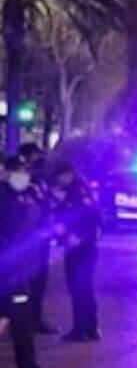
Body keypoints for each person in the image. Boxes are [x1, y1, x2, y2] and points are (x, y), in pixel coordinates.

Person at [0, 157, 63, 368]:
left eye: (24, 171)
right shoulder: (7, 200)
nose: (21, 176)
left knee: (23, 331)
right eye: (17, 171)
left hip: (17, 273)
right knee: (22, 331)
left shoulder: (27, 196)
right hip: (10, 275)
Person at [52, 163, 102, 342]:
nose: (59, 180)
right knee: (84, 289)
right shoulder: (78, 191)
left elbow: (92, 219)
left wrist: (79, 236)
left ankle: (81, 329)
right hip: (80, 245)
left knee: (79, 288)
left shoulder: (77, 193)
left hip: (80, 246)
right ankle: (90, 328)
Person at [17, 143, 57, 334]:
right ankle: (23, 320)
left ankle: (34, 319)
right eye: (35, 155)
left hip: (42, 238)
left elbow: (46, 203)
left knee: (39, 281)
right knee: (26, 282)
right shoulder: (22, 180)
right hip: (29, 240)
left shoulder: (40, 180)